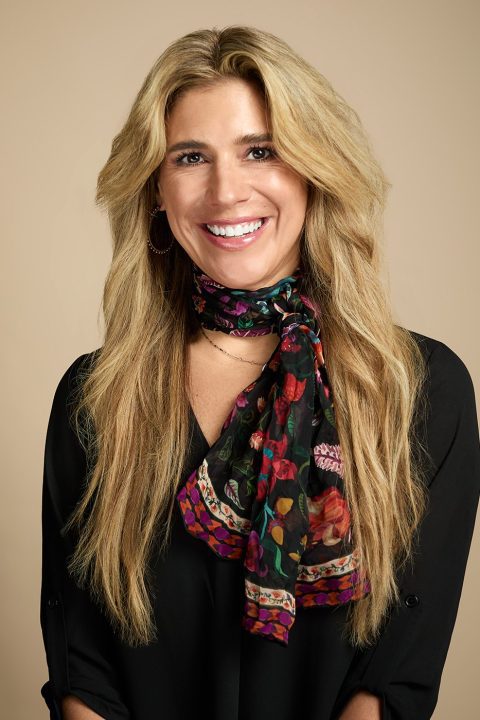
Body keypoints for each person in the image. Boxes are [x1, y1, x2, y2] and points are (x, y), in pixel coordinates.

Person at [40, 25, 480, 720]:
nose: (226, 191)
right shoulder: (93, 401)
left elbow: (391, 681)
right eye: (190, 156)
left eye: (261, 151)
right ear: (156, 189)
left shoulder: (422, 391)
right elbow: (83, 676)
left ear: (313, 170)